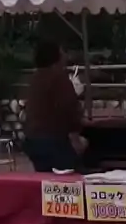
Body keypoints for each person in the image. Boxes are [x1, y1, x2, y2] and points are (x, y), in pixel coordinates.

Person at [22, 40, 86, 172]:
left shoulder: (35, 78)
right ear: (55, 57)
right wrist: (76, 139)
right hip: (54, 142)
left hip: (32, 141)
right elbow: (69, 109)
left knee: (44, 179)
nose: (65, 56)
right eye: (62, 53)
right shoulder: (59, 78)